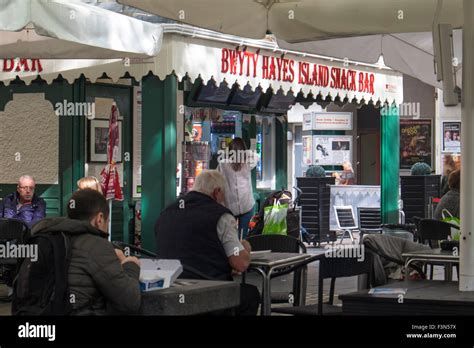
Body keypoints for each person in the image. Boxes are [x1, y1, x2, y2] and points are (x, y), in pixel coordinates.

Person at [154, 170, 260, 315]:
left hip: (167, 292)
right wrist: (245, 247)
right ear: (216, 192)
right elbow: (240, 264)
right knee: (250, 294)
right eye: (224, 195)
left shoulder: (166, 213)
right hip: (208, 293)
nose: (224, 200)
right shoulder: (221, 216)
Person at [28, 189, 141, 315]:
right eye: (107, 221)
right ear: (100, 218)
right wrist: (130, 263)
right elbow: (129, 301)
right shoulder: (96, 245)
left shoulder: (45, 238)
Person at [217, 137, 256, 239]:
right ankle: (241, 253)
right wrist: (242, 152)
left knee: (230, 237)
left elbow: (216, 179)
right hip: (246, 205)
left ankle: (233, 253)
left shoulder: (223, 163)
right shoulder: (248, 162)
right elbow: (255, 156)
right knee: (242, 237)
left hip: (229, 206)